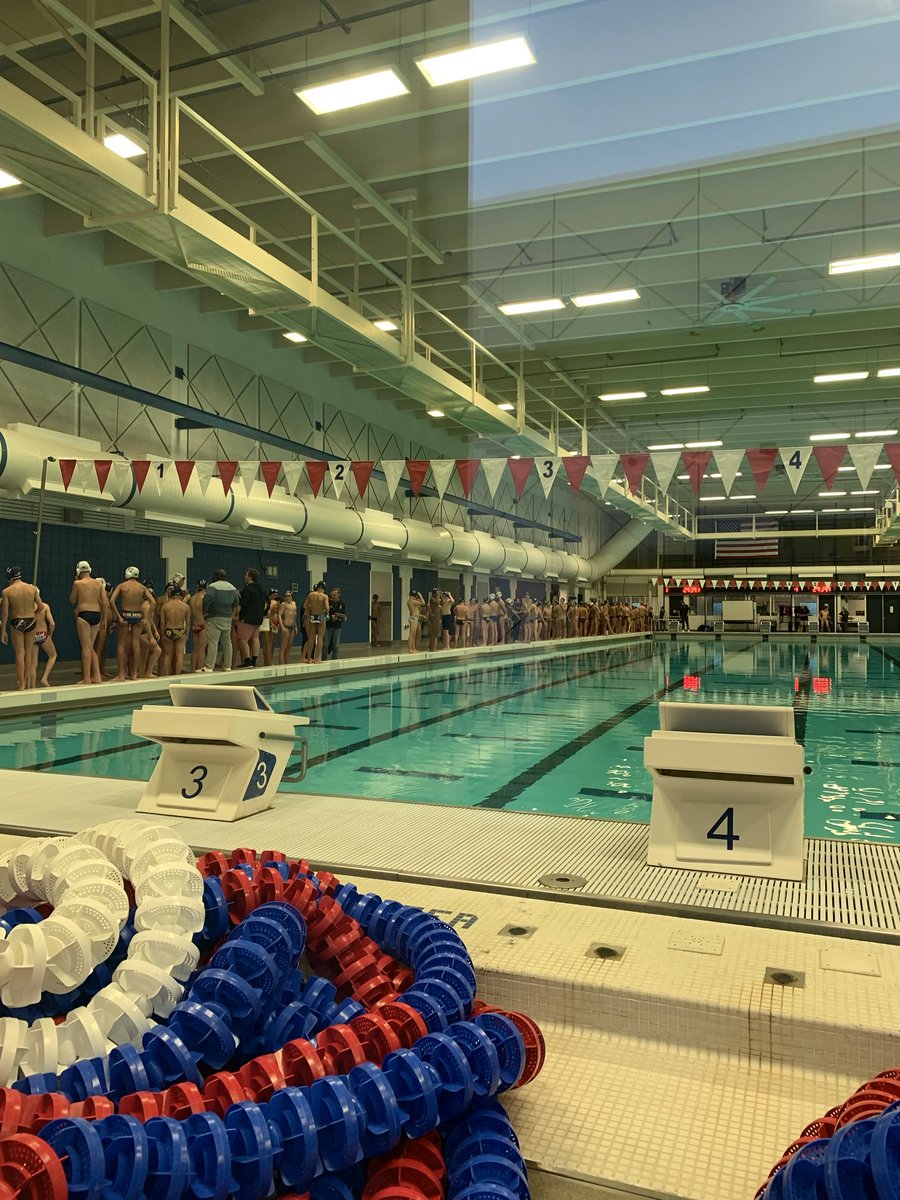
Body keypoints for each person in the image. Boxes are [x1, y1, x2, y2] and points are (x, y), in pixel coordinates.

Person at [110, 567, 154, 681]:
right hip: (138, 616)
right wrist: (147, 618)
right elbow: (153, 602)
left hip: (125, 615)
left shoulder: (122, 586)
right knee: (136, 644)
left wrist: (119, 617)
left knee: (121, 644)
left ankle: (122, 674)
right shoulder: (142, 587)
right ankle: (134, 674)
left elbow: (111, 601)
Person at [1, 566, 41, 691]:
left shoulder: (7, 591)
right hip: (31, 620)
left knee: (20, 653)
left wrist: (3, 631)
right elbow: (40, 606)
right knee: (28, 652)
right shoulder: (32, 588)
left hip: (17, 621)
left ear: (9, 577)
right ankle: (27, 682)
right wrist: (33, 613)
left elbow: (5, 613)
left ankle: (21, 684)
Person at [70, 560, 108, 685]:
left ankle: (86, 678)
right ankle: (97, 676)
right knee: (91, 648)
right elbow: (105, 602)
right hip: (96, 616)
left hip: (84, 615)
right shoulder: (98, 584)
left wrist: (75, 582)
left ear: (78, 571)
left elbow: (72, 600)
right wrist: (105, 620)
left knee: (86, 648)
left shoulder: (77, 583)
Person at [201, 568, 240, 672]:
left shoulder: (212, 586)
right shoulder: (232, 587)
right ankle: (227, 666)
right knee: (227, 642)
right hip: (227, 617)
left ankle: (209, 667)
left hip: (214, 617)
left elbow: (207, 600)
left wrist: (205, 612)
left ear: (215, 577)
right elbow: (236, 603)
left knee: (213, 642)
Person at [236, 567, 267, 668]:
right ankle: (254, 661)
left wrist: (238, 615)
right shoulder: (261, 589)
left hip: (247, 617)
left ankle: (247, 661)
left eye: (246, 574)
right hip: (258, 618)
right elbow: (267, 603)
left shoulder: (247, 589)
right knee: (255, 638)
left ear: (250, 577)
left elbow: (243, 604)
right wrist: (263, 612)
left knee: (243, 639)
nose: (244, 576)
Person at [159, 586, 191, 676]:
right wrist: (187, 634)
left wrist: (163, 635)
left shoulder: (165, 606)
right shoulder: (186, 607)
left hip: (168, 630)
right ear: (180, 596)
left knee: (167, 655)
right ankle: (177, 676)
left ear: (172, 595)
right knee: (179, 655)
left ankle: (166, 676)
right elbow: (188, 623)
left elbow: (162, 623)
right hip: (180, 631)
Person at [29, 596, 57, 688]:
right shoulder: (45, 606)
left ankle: (32, 686)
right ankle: (44, 678)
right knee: (53, 655)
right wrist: (51, 634)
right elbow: (52, 623)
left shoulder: (28, 608)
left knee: (33, 663)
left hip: (32, 635)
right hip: (43, 634)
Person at [303, 581, 329, 663]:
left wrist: (311, 608)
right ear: (324, 588)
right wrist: (326, 612)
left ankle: (308, 659)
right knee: (320, 638)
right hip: (321, 616)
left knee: (311, 637)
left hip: (313, 616)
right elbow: (327, 607)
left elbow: (305, 605)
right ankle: (317, 658)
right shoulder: (324, 596)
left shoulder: (311, 594)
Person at [189, 580, 207, 673]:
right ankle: (199, 668)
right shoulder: (204, 597)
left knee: (195, 648)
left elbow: (191, 614)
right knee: (202, 648)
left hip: (195, 624)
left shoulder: (192, 598)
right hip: (203, 624)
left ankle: (192, 669)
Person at [325, 587, 347, 660]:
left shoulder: (342, 603)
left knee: (335, 645)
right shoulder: (328, 602)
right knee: (325, 644)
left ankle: (334, 659)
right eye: (332, 594)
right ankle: (324, 659)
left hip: (337, 626)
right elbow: (325, 612)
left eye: (334, 594)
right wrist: (331, 616)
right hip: (328, 626)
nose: (332, 596)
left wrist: (337, 615)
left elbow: (344, 615)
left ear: (338, 594)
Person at [262, 590, 280, 667]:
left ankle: (267, 661)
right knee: (268, 644)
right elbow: (268, 613)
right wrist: (271, 623)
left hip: (271, 624)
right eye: (274, 595)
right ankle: (268, 662)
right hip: (270, 624)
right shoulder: (273, 602)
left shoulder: (270, 602)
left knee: (270, 644)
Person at [278, 592, 298, 664]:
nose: (287, 597)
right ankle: (282, 663)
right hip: (286, 626)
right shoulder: (283, 604)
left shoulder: (294, 604)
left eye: (289, 596)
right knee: (283, 646)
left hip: (292, 627)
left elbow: (294, 616)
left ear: (292, 596)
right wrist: (282, 627)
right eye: (285, 596)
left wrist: (295, 627)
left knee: (289, 646)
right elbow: (279, 615)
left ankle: (287, 662)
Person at [407, 589, 424, 653]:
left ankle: (413, 648)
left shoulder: (410, 601)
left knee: (413, 635)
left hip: (414, 618)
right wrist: (420, 595)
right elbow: (423, 603)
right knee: (411, 635)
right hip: (414, 618)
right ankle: (410, 649)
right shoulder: (412, 601)